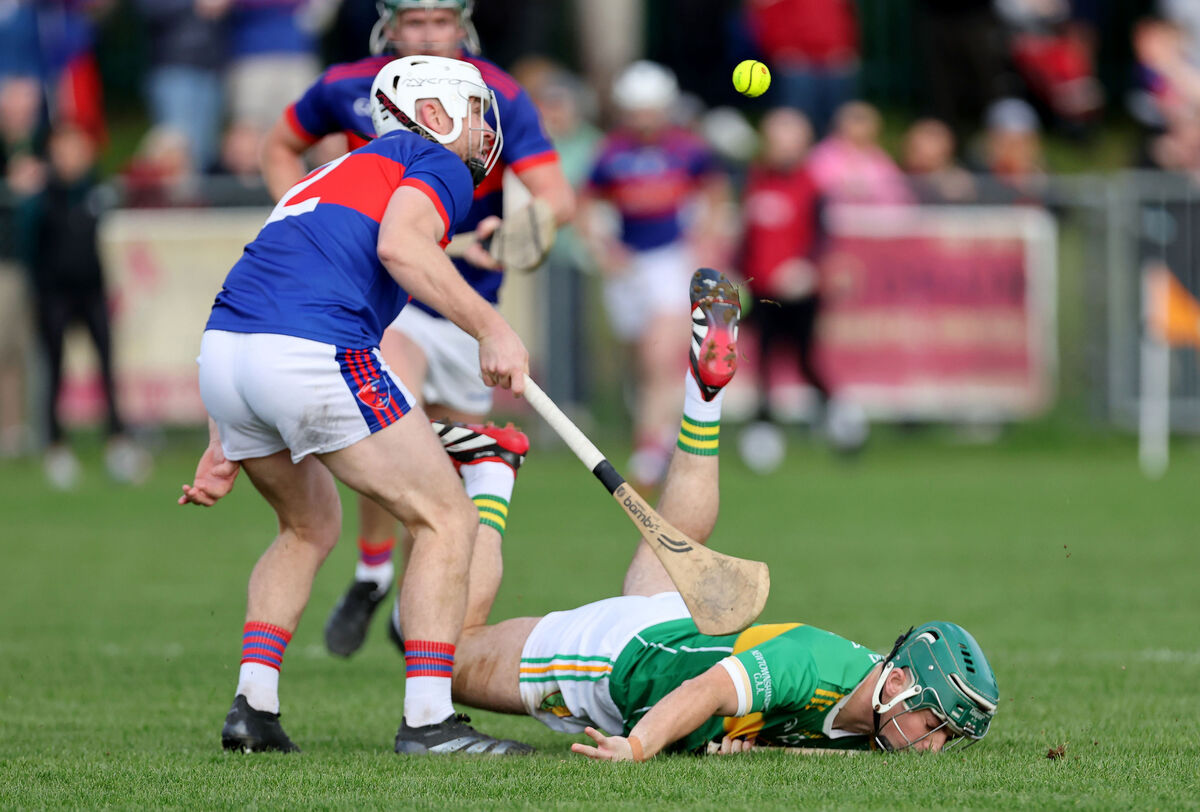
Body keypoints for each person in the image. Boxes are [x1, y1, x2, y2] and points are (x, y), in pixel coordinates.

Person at [447, 269, 999, 759]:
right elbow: (708, 692)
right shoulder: (810, 663)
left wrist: (745, 737)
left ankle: (703, 400)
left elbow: (798, 732)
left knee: (675, 539)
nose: (933, 746)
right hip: (620, 664)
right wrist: (638, 746)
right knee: (446, 661)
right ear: (899, 681)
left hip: (671, 629)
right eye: (934, 726)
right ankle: (491, 475)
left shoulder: (872, 705)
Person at [180, 55, 534, 756]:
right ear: (430, 115)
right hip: (312, 350)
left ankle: (254, 708)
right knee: (445, 518)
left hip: (227, 354)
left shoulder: (331, 172)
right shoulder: (435, 161)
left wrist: (225, 431)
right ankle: (431, 722)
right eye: (469, 109)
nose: (479, 127)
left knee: (307, 527)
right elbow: (400, 245)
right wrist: (492, 327)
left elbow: (300, 264)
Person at [258, 0, 574, 658]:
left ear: (462, 26)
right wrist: (304, 214)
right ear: (390, 28)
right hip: (388, 302)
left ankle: (409, 602)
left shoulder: (499, 95)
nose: (428, 35)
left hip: (465, 304)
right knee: (393, 415)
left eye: (440, 23)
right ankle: (372, 571)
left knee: (446, 481)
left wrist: (513, 232)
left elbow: (555, 197)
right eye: (415, 23)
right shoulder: (348, 86)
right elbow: (280, 145)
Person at [579, 60, 731, 489]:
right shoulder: (610, 152)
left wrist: (704, 243)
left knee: (658, 356)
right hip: (629, 265)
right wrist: (604, 249)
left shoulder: (689, 149)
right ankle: (657, 431)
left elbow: (716, 194)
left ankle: (650, 449)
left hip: (671, 259)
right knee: (637, 360)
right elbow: (584, 204)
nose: (644, 118)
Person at [16, 122, 149, 488]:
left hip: (92, 294)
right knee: (54, 372)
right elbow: (27, 246)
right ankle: (55, 447)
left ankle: (118, 443)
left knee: (107, 369)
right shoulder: (40, 197)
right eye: (64, 149)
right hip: (53, 296)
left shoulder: (96, 192)